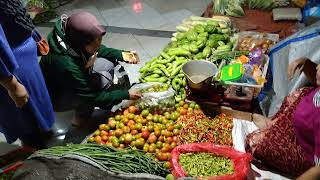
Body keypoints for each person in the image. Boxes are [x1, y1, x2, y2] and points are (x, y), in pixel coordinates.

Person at [40, 11, 141, 127]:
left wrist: (122, 55)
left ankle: (85, 104)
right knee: (104, 80)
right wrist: (125, 94)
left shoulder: (71, 35)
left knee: (107, 64)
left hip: (67, 81)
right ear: (81, 42)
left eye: (99, 39)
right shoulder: (66, 64)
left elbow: (97, 48)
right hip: (56, 97)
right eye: (95, 42)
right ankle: (80, 117)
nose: (98, 44)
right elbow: (92, 96)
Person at [245, 57, 320, 177]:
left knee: (254, 143)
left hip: (306, 152)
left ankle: (272, 128)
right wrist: (306, 64)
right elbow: (316, 82)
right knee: (296, 95)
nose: (318, 67)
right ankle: (273, 123)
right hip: (305, 123)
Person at [0, 0, 55, 149]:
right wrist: (11, 84)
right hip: (10, 65)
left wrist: (28, 26)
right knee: (25, 114)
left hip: (22, 48)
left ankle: (42, 133)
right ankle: (35, 149)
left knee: (38, 102)